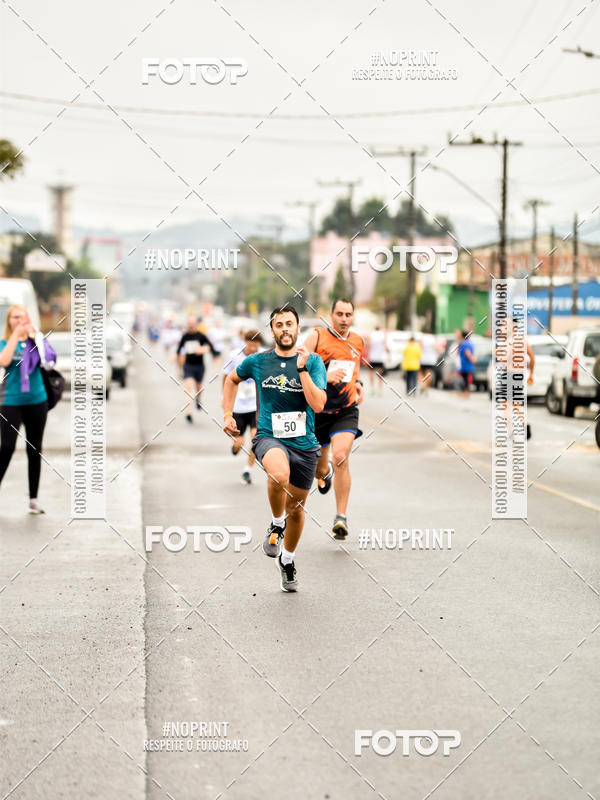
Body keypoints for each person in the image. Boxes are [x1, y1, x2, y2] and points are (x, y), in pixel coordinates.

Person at [222, 305, 326, 592]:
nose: (284, 329)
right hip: (270, 436)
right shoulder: (257, 362)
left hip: (305, 444)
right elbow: (231, 379)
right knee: (278, 475)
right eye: (278, 324)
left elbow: (318, 404)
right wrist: (227, 414)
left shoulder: (314, 361)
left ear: (297, 328)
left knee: (297, 508)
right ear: (272, 330)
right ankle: (276, 524)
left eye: (289, 324)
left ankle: (288, 561)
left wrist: (302, 370)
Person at [303, 298, 364, 540]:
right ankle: (324, 474)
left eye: (348, 314)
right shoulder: (316, 337)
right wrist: (323, 377)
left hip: (345, 410)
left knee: (341, 457)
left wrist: (358, 384)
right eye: (339, 314)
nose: (344, 319)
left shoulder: (357, 340)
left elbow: (354, 369)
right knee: (320, 468)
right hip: (318, 411)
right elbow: (299, 368)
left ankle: (341, 517)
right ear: (331, 315)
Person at [0, 305, 56, 514]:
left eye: (22, 317)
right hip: (11, 400)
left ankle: (33, 498)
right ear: (9, 321)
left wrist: (35, 336)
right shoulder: (4, 342)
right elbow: (4, 360)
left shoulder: (36, 341)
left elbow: (49, 362)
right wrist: (15, 335)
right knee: (6, 447)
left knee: (34, 448)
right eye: (14, 318)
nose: (18, 321)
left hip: (36, 400)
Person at [221, 329, 261, 484]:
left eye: (256, 344)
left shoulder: (262, 355)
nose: (253, 347)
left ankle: (247, 469)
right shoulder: (234, 356)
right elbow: (226, 377)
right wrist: (224, 399)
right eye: (251, 343)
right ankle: (235, 448)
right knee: (239, 443)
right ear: (245, 341)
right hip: (238, 405)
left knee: (255, 439)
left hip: (254, 405)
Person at [176, 315, 218, 423]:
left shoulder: (201, 336)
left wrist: (203, 349)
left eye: (192, 323)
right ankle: (188, 412)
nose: (190, 325)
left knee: (199, 387)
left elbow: (211, 349)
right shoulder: (185, 336)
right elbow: (178, 352)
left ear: (196, 324)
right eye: (189, 323)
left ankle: (198, 400)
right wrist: (179, 368)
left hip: (199, 366)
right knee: (189, 387)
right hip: (188, 365)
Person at [366, 326, 387, 394]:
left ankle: (372, 388)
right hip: (380, 358)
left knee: (371, 373)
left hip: (372, 357)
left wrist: (367, 356)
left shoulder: (371, 335)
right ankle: (379, 389)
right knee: (380, 374)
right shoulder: (382, 335)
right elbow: (385, 346)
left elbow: (368, 345)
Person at [456, 330, 475, 398]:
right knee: (466, 378)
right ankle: (466, 392)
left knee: (465, 379)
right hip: (468, 364)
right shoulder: (470, 343)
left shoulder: (465, 343)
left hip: (465, 364)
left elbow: (467, 353)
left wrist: (472, 360)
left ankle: (466, 393)